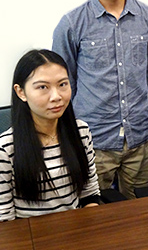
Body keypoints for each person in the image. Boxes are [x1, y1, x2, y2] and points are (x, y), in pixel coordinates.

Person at [52, 0, 148, 199]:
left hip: (141, 140)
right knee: (92, 219)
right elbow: (65, 85)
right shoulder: (72, 24)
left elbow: (143, 74)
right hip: (93, 143)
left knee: (141, 219)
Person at [0, 49, 100, 222]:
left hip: (77, 231)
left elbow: (89, 194)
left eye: (62, 84)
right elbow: (5, 220)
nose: (56, 96)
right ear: (21, 92)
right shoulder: (6, 149)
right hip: (30, 238)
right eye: (43, 87)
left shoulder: (81, 132)